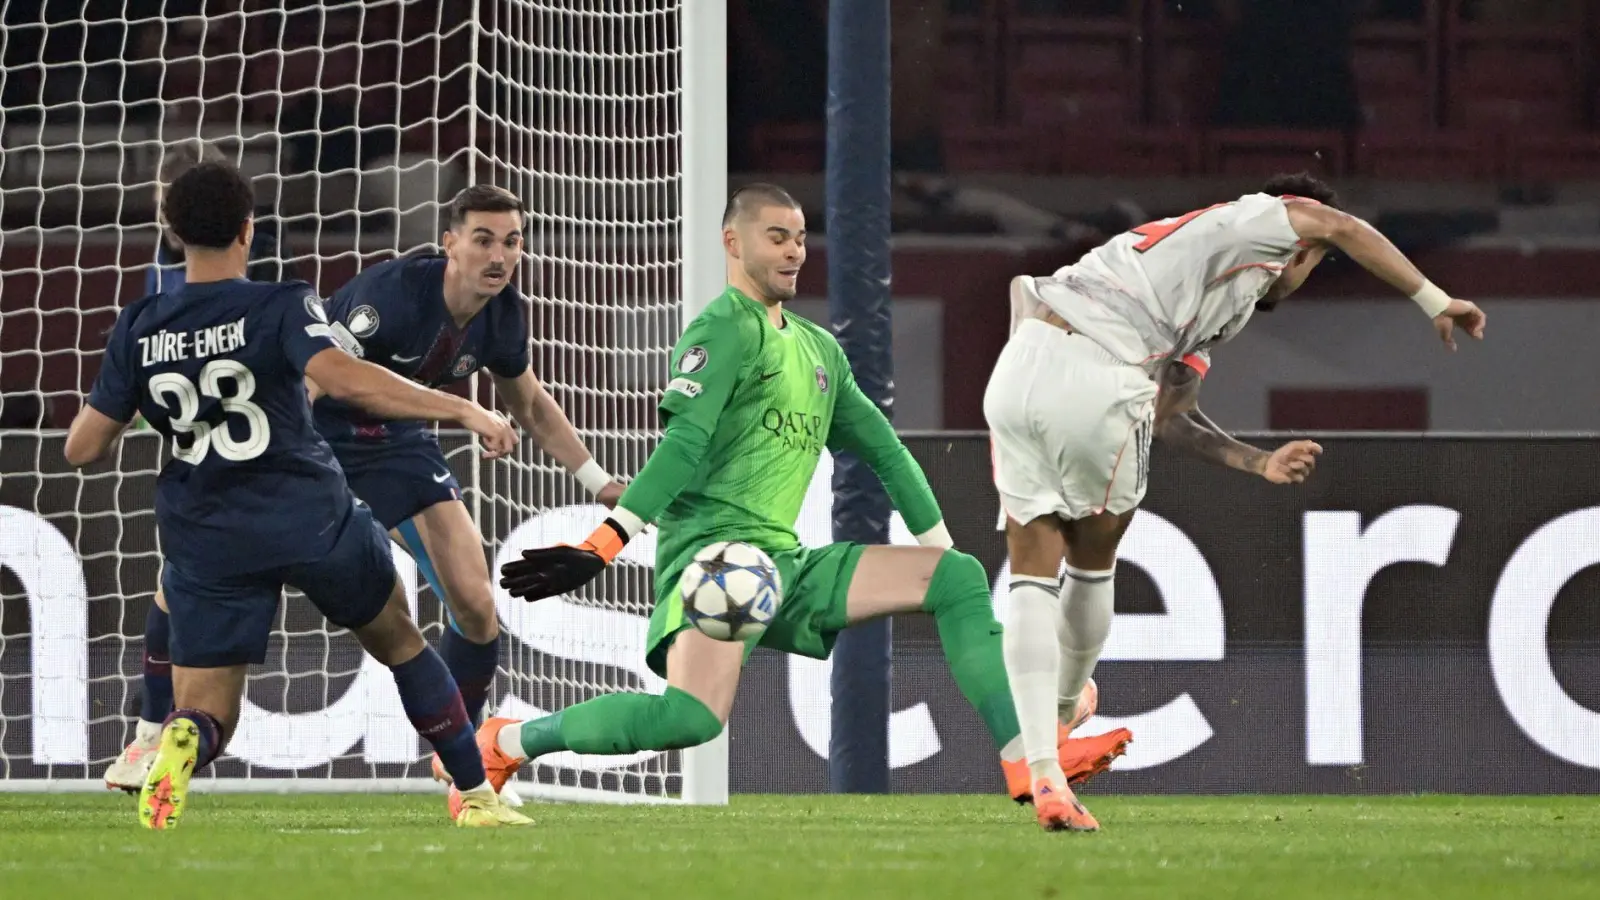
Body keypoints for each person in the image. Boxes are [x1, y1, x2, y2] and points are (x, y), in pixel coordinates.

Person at [468, 183, 1133, 818]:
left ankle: (1027, 759)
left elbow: (888, 455)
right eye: (776, 237)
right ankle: (506, 742)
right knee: (688, 720)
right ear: (733, 242)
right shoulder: (722, 330)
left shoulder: (818, 351)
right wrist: (603, 544)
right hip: (716, 564)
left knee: (956, 576)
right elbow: (681, 448)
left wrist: (940, 558)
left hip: (783, 563)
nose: (792, 252)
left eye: (800, 238)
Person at [984, 172, 1486, 831]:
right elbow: (1337, 223)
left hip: (1021, 365)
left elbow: (1168, 417)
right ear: (1300, 247)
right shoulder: (1258, 221)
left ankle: (1043, 763)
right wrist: (1434, 299)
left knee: (1030, 559)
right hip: (1101, 371)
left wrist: (1260, 462)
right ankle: (1063, 711)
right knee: (1094, 554)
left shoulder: (1204, 283)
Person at [63, 160, 531, 830]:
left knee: (208, 713)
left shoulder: (139, 327)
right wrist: (463, 412)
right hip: (309, 516)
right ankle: (476, 796)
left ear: (169, 233)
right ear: (249, 230)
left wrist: (147, 399)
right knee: (402, 641)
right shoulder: (281, 304)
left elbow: (82, 448)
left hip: (209, 532)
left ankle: (178, 735)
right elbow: (346, 379)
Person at [310, 184, 625, 783]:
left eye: (511, 242)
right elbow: (322, 378)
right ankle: (153, 727)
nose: (498, 256)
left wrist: (598, 481)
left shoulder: (503, 314)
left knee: (478, 609)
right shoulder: (389, 296)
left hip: (395, 445)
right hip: (316, 438)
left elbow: (530, 406)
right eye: (483, 240)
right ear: (450, 244)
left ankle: (460, 766)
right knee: (241, 564)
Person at [104, 138, 306, 793]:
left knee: (177, 585)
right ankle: (149, 735)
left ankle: (149, 736)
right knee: (175, 586)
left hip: (253, 450)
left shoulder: (203, 275)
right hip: (265, 452)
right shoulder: (186, 273)